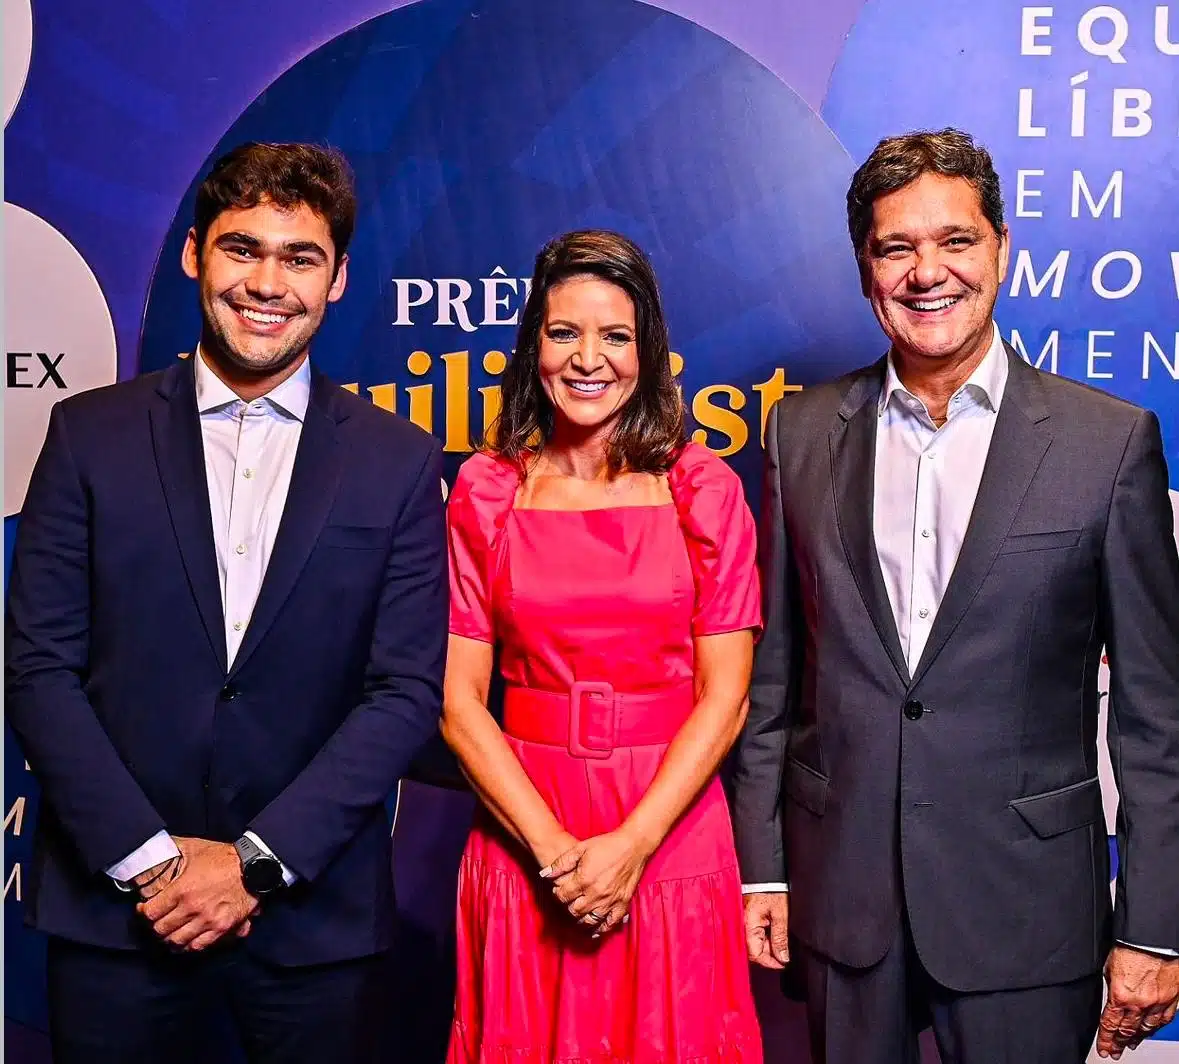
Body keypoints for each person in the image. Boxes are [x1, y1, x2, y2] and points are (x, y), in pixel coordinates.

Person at [734, 128, 1179, 1064]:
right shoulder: (798, 433)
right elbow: (774, 679)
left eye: (955, 240)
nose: (926, 272)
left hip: (1025, 908)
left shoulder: (1107, 444)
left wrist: (1154, 925)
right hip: (842, 897)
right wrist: (762, 873)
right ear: (865, 269)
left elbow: (1155, 715)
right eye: (895, 247)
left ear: (1002, 249)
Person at [5, 142, 447, 1064]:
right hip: (116, 916)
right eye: (242, 248)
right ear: (194, 254)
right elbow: (38, 666)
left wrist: (253, 863)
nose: (267, 284)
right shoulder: (87, 436)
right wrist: (153, 863)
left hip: (309, 925)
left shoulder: (396, 460)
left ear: (337, 279)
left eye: (300, 258)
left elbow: (404, 690)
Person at [442, 229, 764, 1063]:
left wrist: (632, 845)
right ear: (534, 348)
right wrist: (554, 854)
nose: (588, 359)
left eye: (614, 335)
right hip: (526, 821)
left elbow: (726, 697)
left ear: (646, 350)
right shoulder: (486, 489)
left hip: (667, 823)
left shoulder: (702, 489)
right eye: (564, 333)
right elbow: (456, 703)